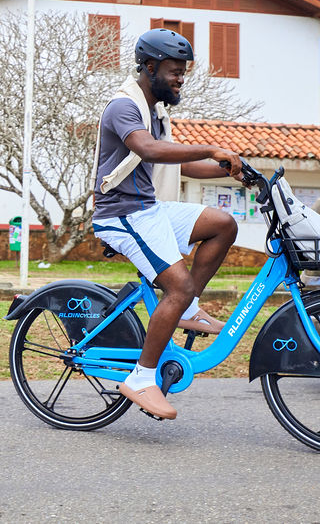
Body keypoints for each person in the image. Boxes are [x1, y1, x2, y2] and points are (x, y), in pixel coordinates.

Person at [91, 28, 249, 420]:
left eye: (183, 72)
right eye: (175, 71)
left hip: (149, 208)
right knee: (176, 285)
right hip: (120, 214)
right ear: (149, 67)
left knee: (223, 224)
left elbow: (177, 160)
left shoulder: (156, 111)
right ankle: (142, 378)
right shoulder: (123, 106)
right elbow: (147, 149)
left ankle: (188, 306)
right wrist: (212, 147)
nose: (181, 78)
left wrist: (229, 171)